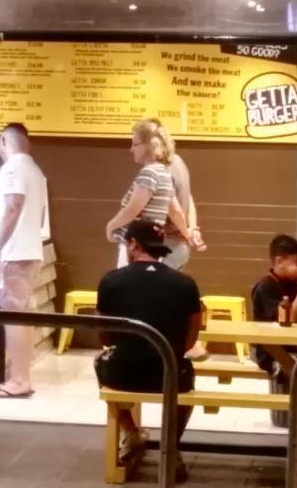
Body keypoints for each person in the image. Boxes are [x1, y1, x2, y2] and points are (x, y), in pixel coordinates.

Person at [95, 219, 202, 482]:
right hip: (170, 374)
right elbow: (191, 338)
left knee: (99, 361)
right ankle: (171, 445)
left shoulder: (110, 281)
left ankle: (131, 431)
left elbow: (103, 334)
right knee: (187, 376)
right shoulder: (185, 284)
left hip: (122, 373)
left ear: (133, 244)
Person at [0, 122, 48, 399]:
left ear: (2, 141)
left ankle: (19, 380)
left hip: (14, 253)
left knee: (13, 315)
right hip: (31, 250)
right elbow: (41, 214)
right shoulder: (35, 170)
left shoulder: (12, 168)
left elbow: (13, 205)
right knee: (22, 315)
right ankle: (23, 377)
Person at [105, 118, 192, 266]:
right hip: (152, 247)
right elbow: (175, 210)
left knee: (129, 286)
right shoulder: (163, 172)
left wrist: (110, 227)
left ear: (147, 145)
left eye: (135, 144)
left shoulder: (148, 174)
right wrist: (187, 234)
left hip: (136, 247)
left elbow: (132, 210)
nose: (131, 149)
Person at [143, 118, 207, 269]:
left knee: (158, 291)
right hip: (180, 248)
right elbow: (188, 197)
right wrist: (192, 228)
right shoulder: (178, 161)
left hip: (168, 245)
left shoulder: (161, 169)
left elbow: (175, 209)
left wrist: (186, 234)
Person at [250, 234, 297, 386]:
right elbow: (288, 319)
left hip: (293, 348)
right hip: (272, 353)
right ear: (279, 261)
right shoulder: (266, 286)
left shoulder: (294, 284)